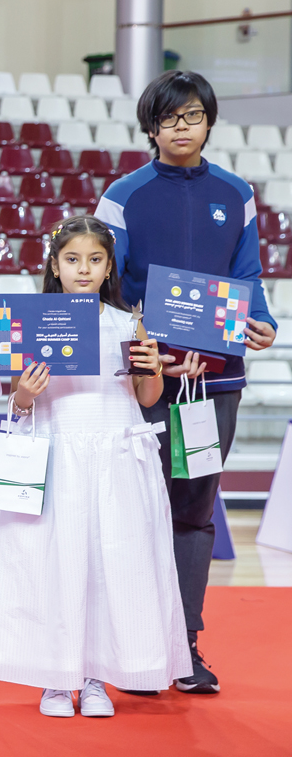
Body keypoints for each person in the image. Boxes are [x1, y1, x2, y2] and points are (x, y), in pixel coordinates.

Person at [94, 71, 277, 694]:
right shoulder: (124, 194)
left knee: (195, 513)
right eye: (170, 117)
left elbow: (247, 274)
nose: (181, 126)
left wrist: (262, 322)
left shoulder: (237, 192)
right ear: (151, 126)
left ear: (208, 122)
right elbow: (109, 286)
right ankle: (134, 646)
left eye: (193, 116)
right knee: (136, 510)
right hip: (147, 377)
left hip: (217, 380)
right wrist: (156, 350)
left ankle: (185, 646)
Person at [0, 216, 192, 718]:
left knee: (109, 566)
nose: (83, 269)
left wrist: (155, 368)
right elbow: (17, 401)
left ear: (108, 266)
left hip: (117, 456)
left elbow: (147, 396)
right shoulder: (26, 321)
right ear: (55, 264)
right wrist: (24, 394)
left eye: (95, 260)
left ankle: (95, 677)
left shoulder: (128, 322)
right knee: (53, 564)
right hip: (55, 453)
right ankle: (55, 679)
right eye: (72, 259)